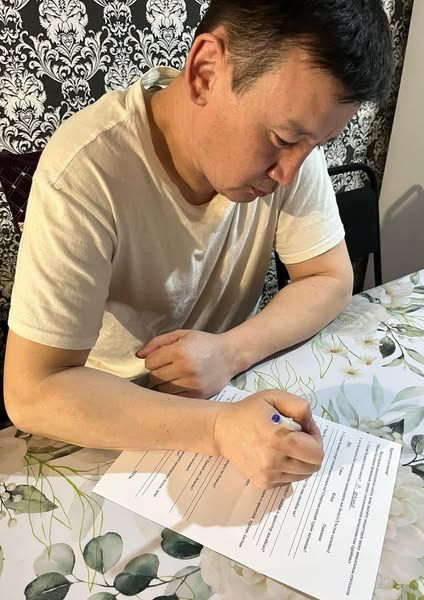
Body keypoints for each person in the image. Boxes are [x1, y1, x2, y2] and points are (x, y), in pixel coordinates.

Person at [4, 0, 392, 489]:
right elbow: (34, 391)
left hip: (231, 391)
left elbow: (330, 277)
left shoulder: (294, 145)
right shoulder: (85, 171)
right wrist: (216, 429)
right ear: (206, 72)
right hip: (110, 413)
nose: (289, 173)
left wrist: (231, 351)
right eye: (281, 138)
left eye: (314, 146)